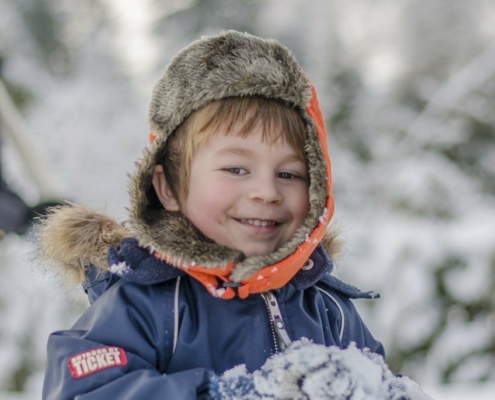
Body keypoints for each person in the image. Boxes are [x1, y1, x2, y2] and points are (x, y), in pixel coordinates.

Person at [38, 31, 384, 399]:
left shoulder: (327, 309)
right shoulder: (149, 304)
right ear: (169, 187)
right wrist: (225, 394)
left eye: (289, 174)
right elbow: (86, 390)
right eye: (236, 169)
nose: (267, 192)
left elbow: (376, 381)